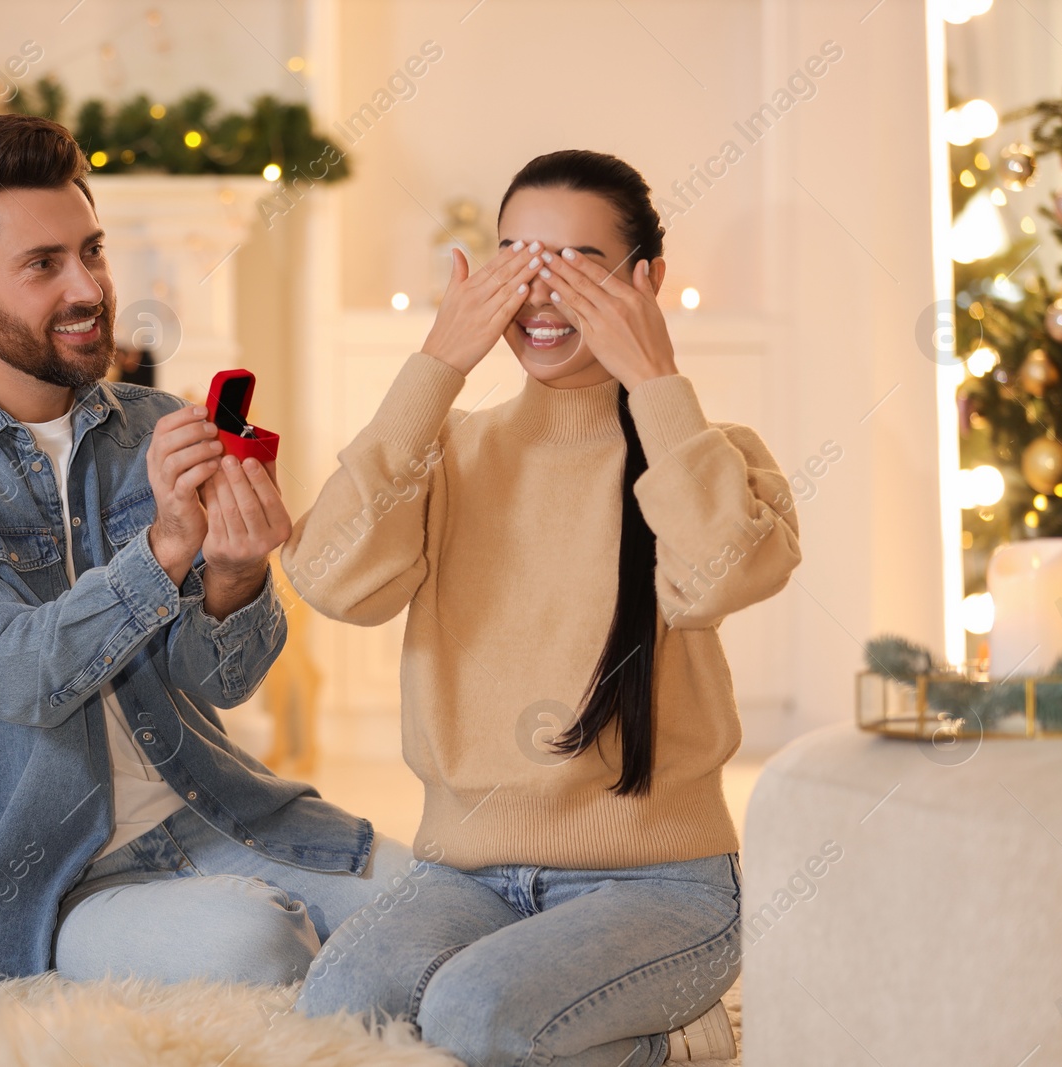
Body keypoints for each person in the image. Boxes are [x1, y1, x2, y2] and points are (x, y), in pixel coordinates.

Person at [0, 114, 413, 985]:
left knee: (438, 914)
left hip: (222, 812)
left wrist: (239, 577)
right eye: (42, 264)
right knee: (257, 947)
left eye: (91, 252)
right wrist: (166, 548)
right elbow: (20, 676)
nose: (88, 288)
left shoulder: (151, 425)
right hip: (57, 885)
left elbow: (220, 683)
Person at [283, 149, 803, 1066]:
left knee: (476, 1016)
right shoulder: (450, 450)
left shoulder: (713, 452)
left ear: (647, 281)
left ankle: (664, 1032)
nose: (541, 291)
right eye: (516, 258)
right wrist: (437, 363)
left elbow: (722, 574)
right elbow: (328, 576)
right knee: (341, 1008)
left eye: (577, 264)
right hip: (468, 873)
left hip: (662, 888)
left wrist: (656, 382)